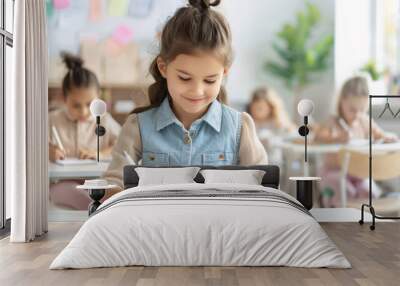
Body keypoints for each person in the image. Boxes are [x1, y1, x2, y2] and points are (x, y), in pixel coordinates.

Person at [103, 0, 268, 196]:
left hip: (221, 225)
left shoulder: (240, 127)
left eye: (209, 80)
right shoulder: (137, 126)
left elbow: (263, 186)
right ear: (163, 67)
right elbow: (114, 182)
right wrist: (111, 193)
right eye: (184, 78)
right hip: (157, 225)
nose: (197, 91)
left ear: (224, 73)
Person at [49, 52, 121, 210]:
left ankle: (99, 209)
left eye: (89, 104)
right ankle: (97, 210)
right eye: (76, 105)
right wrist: (50, 151)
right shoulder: (52, 120)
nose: (83, 111)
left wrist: (101, 153)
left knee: (115, 192)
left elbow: (122, 144)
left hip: (98, 181)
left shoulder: (105, 119)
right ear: (64, 98)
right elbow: (34, 145)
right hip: (64, 183)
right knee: (63, 192)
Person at [314, 76, 397, 207]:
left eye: (362, 110)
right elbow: (318, 137)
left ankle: (361, 220)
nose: (357, 114)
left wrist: (385, 137)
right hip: (333, 171)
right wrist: (337, 138)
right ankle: (336, 216)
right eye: (352, 110)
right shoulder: (333, 122)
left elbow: (379, 134)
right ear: (341, 102)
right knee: (345, 190)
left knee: (369, 192)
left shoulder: (364, 121)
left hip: (358, 173)